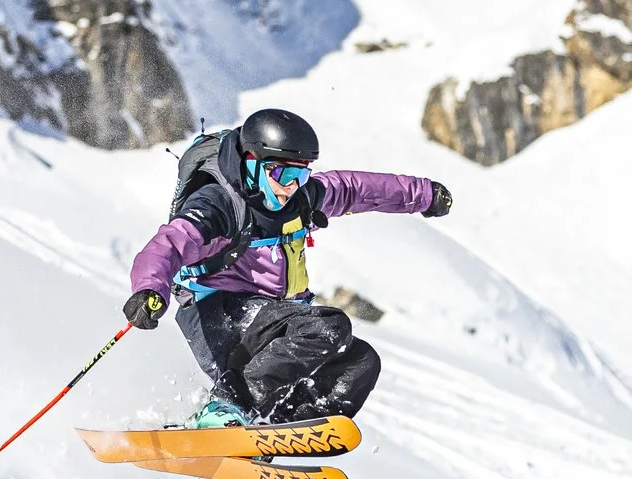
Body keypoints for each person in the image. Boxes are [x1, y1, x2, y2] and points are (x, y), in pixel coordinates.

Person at [122, 108, 451, 427]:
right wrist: (150, 288)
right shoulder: (217, 204)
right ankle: (226, 407)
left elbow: (355, 189)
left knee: (360, 362)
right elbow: (169, 244)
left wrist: (423, 195)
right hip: (219, 316)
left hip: (272, 322)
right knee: (328, 327)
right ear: (252, 163)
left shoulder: (300, 199)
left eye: (301, 174)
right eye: (283, 174)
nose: (291, 186)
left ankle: (274, 427)